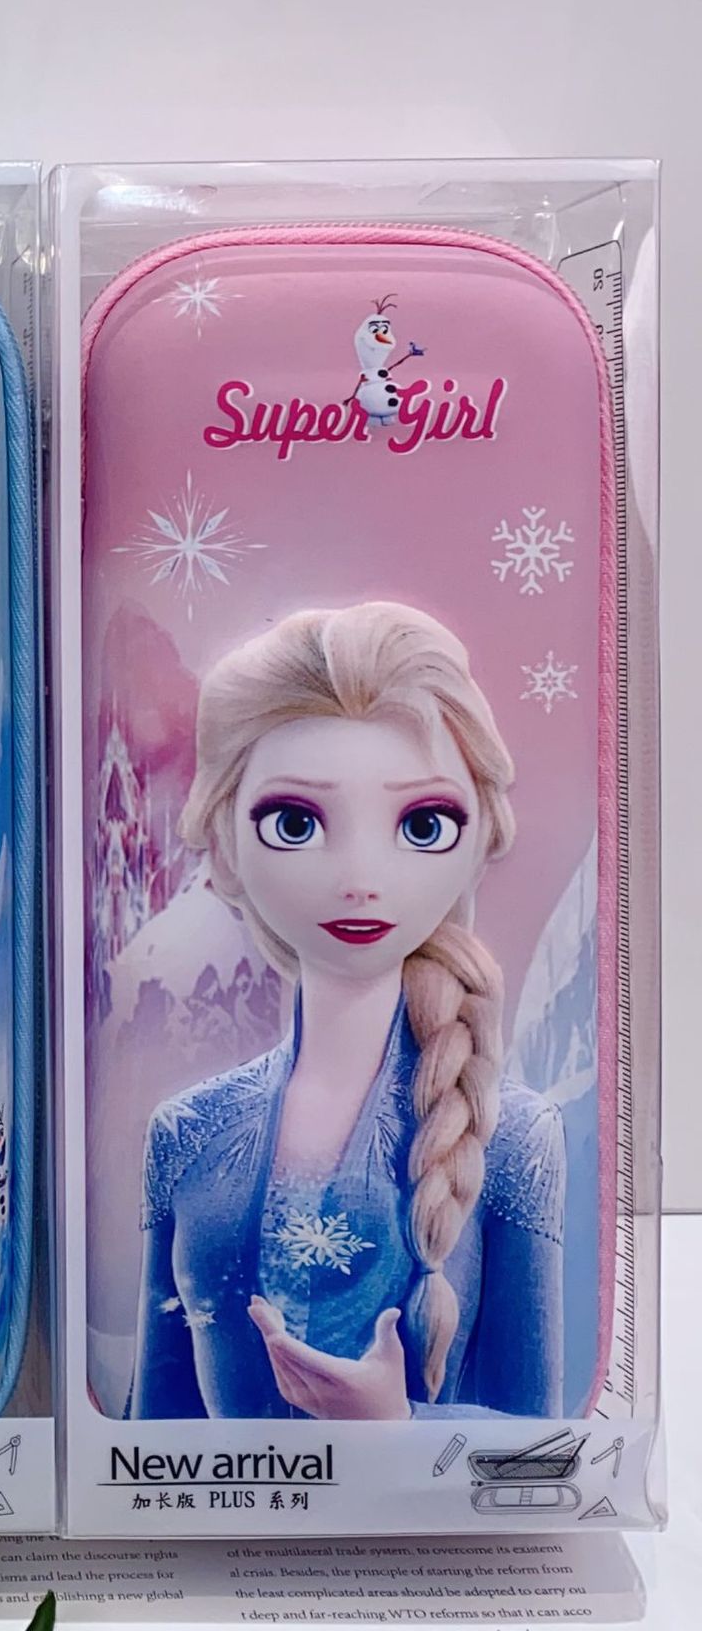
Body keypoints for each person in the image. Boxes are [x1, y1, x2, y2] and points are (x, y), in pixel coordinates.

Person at [129, 602, 564, 1420]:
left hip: (420, 1514)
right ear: (224, 846)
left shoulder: (511, 1139)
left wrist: (397, 1432)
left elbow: (536, 1449)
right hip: (212, 1511)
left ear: (482, 836)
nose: (360, 878)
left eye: (423, 824)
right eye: (295, 823)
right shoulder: (186, 1134)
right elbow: (148, 1430)